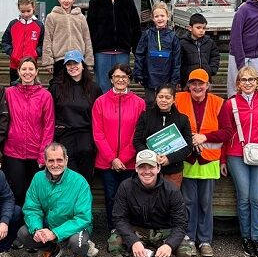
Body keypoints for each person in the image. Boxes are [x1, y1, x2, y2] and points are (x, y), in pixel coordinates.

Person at [201, 66, 258, 257]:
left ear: (257, 82)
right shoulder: (230, 104)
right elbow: (226, 133)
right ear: (238, 83)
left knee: (257, 198)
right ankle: (245, 237)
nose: (247, 83)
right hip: (236, 154)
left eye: (251, 79)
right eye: (243, 79)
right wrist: (222, 158)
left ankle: (256, 238)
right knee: (243, 197)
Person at [109, 150, 190, 257]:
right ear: (136, 168)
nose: (147, 171)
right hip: (137, 229)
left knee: (185, 251)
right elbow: (119, 218)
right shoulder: (125, 187)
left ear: (158, 168)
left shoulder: (171, 190)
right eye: (142, 167)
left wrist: (169, 245)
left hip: (165, 230)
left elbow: (181, 223)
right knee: (114, 242)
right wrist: (133, 241)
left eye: (151, 167)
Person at [16, 143, 94, 257]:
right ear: (45, 161)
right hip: (49, 224)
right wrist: (37, 229)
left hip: (75, 227)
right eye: (51, 160)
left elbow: (83, 217)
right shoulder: (38, 178)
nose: (55, 164)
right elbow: (32, 207)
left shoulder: (80, 182)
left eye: (59, 160)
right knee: (23, 233)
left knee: (78, 243)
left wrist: (55, 233)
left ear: (66, 160)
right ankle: (52, 249)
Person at [92, 63, 146, 235]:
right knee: (111, 197)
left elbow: (139, 133)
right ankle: (114, 230)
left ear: (129, 79)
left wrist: (123, 157)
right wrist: (112, 159)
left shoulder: (139, 103)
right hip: (107, 162)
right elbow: (98, 133)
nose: (120, 80)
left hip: (129, 161)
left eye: (124, 77)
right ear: (111, 79)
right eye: (117, 76)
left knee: (130, 198)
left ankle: (129, 231)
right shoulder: (100, 102)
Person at [178, 69, 226, 257]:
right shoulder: (178, 99)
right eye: (193, 83)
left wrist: (204, 137)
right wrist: (190, 137)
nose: (197, 87)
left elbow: (227, 132)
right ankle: (188, 238)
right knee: (188, 202)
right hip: (187, 159)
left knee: (206, 203)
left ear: (208, 85)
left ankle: (205, 240)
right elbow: (173, 125)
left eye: (201, 83)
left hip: (209, 161)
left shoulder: (218, 102)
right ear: (188, 85)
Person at [3, 57, 55, 205]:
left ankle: (33, 220)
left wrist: (43, 154)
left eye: (31, 69)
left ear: (36, 71)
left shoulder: (45, 96)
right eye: (24, 69)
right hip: (13, 152)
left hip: (36, 152)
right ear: (18, 72)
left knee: (35, 193)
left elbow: (49, 126)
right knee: (17, 191)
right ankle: (17, 220)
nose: (27, 72)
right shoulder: (9, 93)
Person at [50, 50, 101, 182]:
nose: (72, 67)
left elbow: (98, 116)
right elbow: (50, 114)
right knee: (68, 178)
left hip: (86, 135)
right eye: (69, 64)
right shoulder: (56, 87)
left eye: (76, 63)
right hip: (64, 135)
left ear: (83, 65)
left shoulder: (94, 88)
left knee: (85, 178)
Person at [88, 0, 141, 93]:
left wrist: (136, 49)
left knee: (121, 83)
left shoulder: (128, 1)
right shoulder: (95, 2)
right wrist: (91, 50)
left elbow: (135, 27)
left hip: (122, 51)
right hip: (101, 52)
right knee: (103, 85)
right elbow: (90, 28)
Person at [132, 85, 192, 189]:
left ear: (173, 99)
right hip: (149, 169)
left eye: (168, 97)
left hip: (173, 170)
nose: (163, 100)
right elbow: (137, 141)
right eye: (160, 97)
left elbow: (188, 147)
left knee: (171, 197)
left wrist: (169, 158)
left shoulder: (183, 119)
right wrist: (151, 156)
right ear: (156, 97)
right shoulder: (145, 116)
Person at [41, 0, 93, 82]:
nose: (66, 1)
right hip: (60, 59)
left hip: (78, 59)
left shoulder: (80, 17)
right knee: (60, 86)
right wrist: (48, 61)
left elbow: (87, 39)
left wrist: (89, 61)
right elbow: (47, 39)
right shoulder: (52, 17)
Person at [133, 1, 181, 104]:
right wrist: (138, 73)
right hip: (149, 76)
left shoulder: (173, 36)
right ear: (153, 18)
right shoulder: (147, 35)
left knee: (165, 102)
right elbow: (140, 54)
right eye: (157, 16)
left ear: (168, 16)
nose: (160, 18)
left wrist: (175, 78)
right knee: (150, 102)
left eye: (162, 15)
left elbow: (177, 59)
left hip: (167, 76)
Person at [1, 0, 45, 84]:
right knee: (14, 89)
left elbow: (43, 44)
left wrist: (36, 53)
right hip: (15, 66)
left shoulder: (39, 25)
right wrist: (12, 52)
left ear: (33, 7)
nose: (26, 14)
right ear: (19, 8)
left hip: (31, 66)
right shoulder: (13, 24)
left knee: (31, 89)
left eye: (28, 11)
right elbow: (5, 41)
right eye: (23, 11)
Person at [179, 13, 220, 86]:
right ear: (190, 28)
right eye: (198, 28)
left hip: (205, 78)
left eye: (204, 28)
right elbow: (179, 61)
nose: (201, 30)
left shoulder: (209, 42)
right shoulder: (182, 43)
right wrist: (183, 74)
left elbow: (215, 57)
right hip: (188, 79)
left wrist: (211, 70)